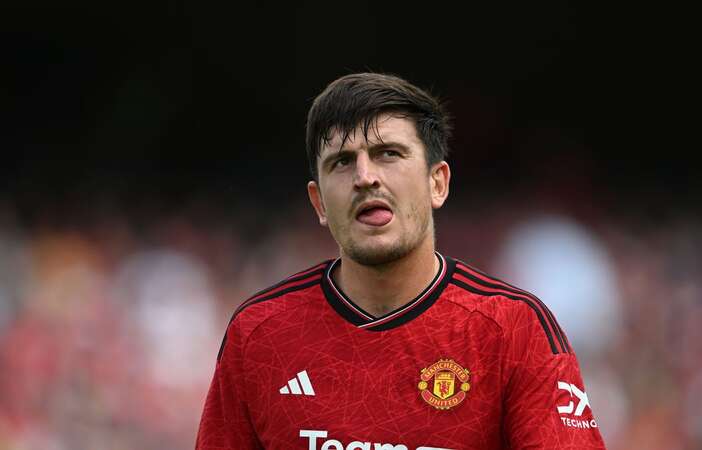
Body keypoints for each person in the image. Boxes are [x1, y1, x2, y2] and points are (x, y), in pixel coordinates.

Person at [196, 73, 606, 449]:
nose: (365, 177)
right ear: (319, 203)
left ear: (437, 183)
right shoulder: (260, 334)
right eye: (341, 162)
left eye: (387, 153)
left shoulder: (514, 329)